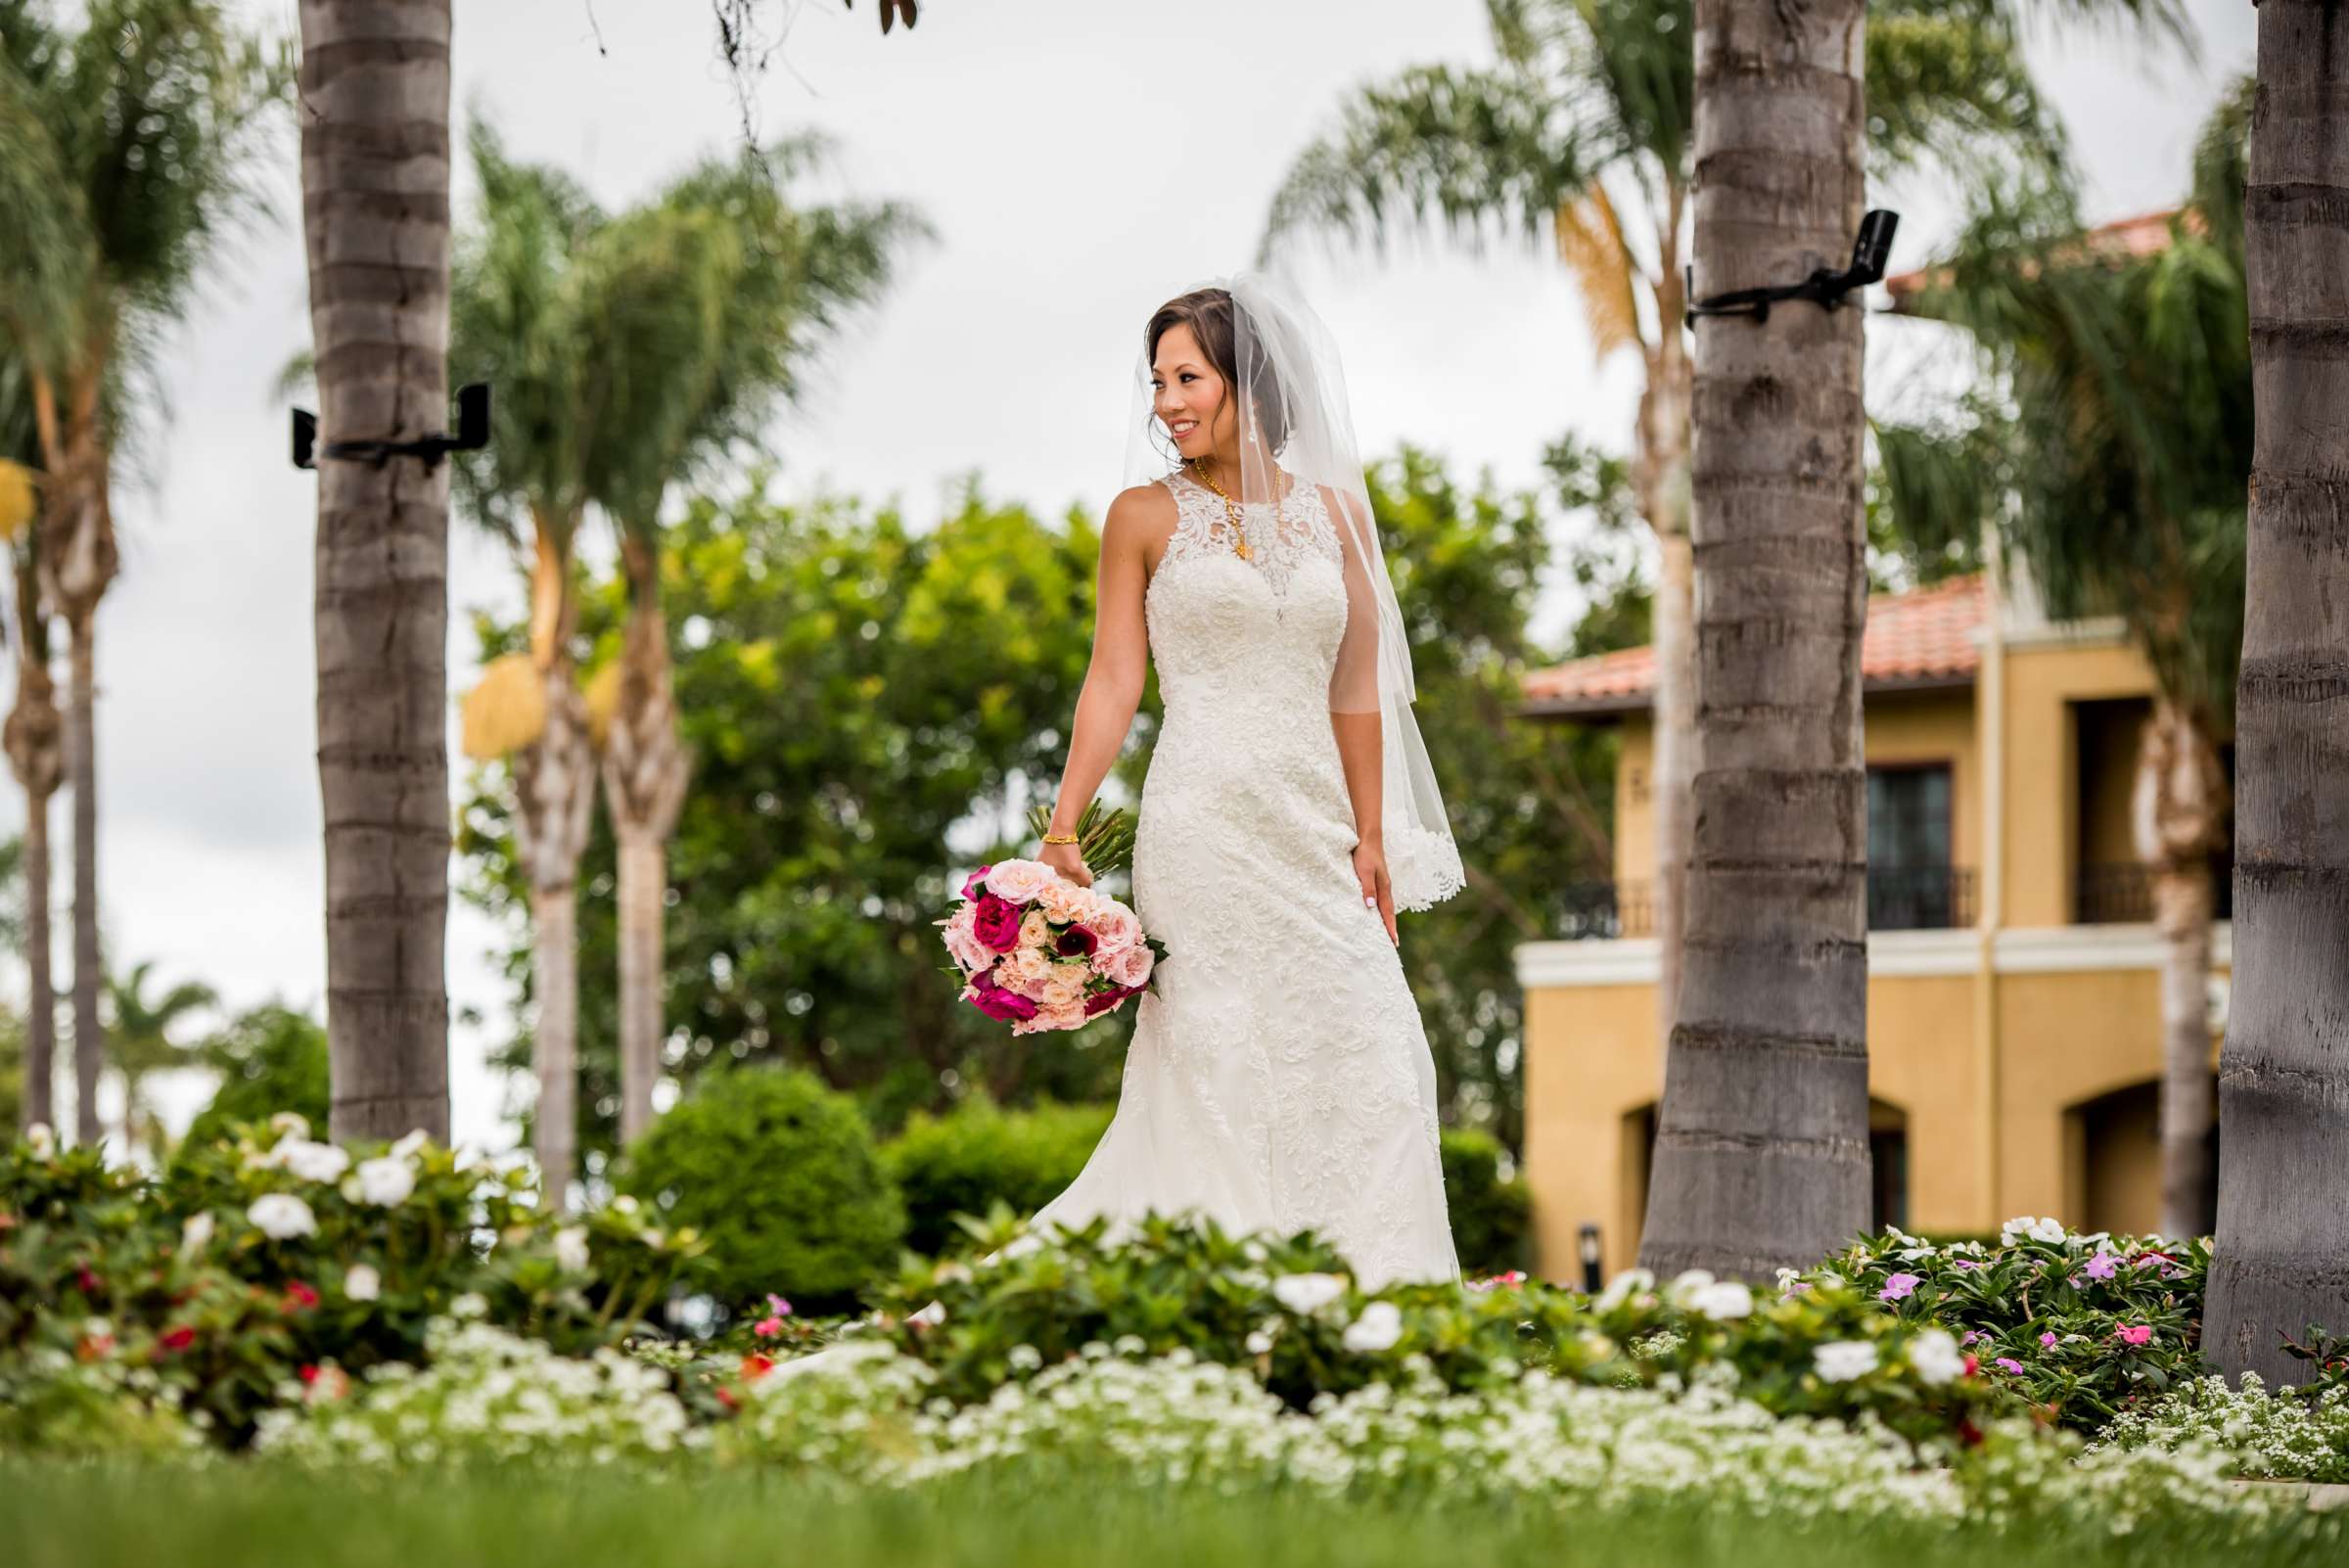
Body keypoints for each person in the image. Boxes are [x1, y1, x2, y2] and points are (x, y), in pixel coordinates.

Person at [1019, 270, 1465, 1290]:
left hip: (1314, 830)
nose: (1166, 402)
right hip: (1204, 824)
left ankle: (1378, 1300)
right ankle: (1224, 1298)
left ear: (1248, 381)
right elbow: (1114, 677)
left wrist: (1372, 834)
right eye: (1158, 381)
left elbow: (1357, 685)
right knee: (1220, 1057)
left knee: (1378, 1048)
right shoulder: (1140, 516)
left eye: (1188, 377)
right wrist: (1063, 826)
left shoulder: (1339, 516)